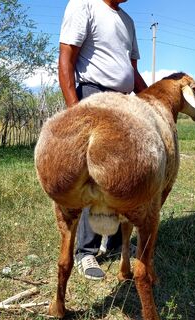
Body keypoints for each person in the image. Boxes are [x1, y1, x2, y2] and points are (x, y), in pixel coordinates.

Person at [58, 0, 147, 280]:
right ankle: (86, 251)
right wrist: (75, 111)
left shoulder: (128, 21)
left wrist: (154, 98)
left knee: (121, 176)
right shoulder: (83, 5)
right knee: (95, 178)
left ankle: (115, 243)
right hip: (93, 97)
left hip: (123, 101)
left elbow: (130, 71)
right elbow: (66, 60)